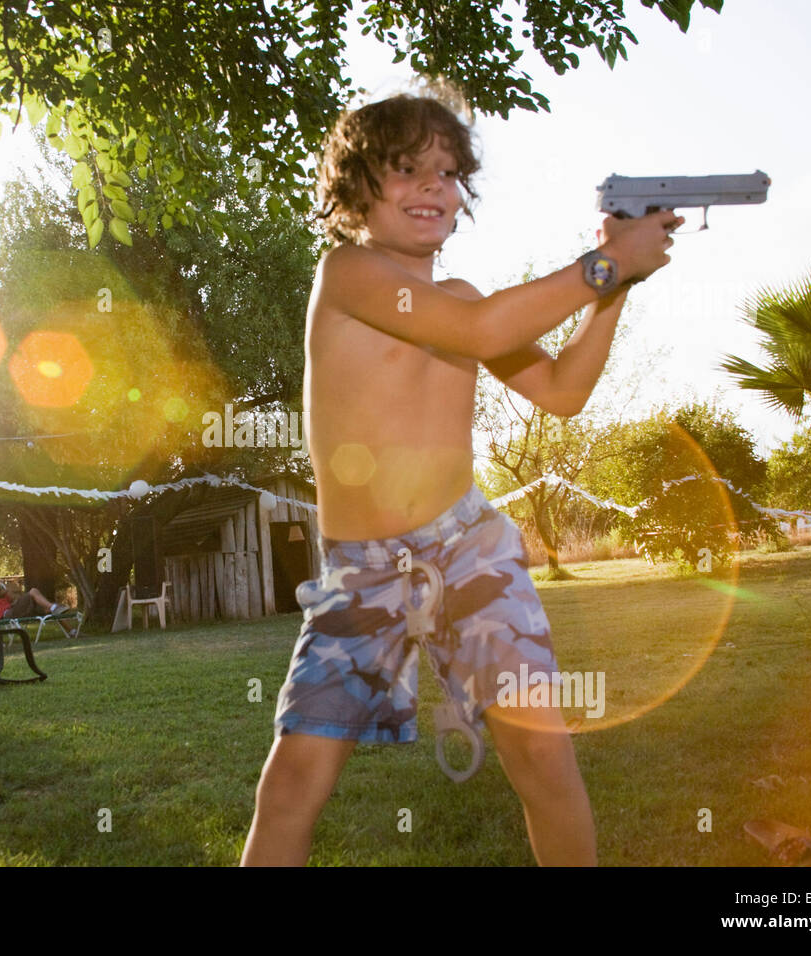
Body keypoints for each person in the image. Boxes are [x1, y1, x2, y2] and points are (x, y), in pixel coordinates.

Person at [240, 92, 681, 867]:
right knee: (293, 781)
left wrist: (617, 287)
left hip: (467, 548)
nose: (433, 187)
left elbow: (563, 393)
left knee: (543, 757)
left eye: (447, 173)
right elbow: (479, 334)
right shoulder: (346, 274)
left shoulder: (468, 299)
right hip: (363, 570)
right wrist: (606, 262)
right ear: (353, 191)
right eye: (407, 169)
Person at [0, 579, 80, 637]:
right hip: (9, 614)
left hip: (20, 610)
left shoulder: (5, 597)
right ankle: (53, 607)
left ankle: (72, 632)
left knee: (48, 609)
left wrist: (4, 590)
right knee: (33, 591)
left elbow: (16, 593)